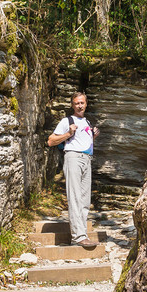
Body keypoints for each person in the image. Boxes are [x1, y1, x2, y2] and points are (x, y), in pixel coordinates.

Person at [47, 91, 100, 247]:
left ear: (86, 104)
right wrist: (68, 133)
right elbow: (51, 141)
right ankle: (79, 237)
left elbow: (83, 141)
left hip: (87, 159)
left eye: (82, 103)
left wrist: (93, 137)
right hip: (73, 158)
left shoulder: (87, 122)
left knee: (85, 199)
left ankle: (80, 235)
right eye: (77, 103)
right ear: (72, 105)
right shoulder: (66, 121)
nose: (79, 106)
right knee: (75, 197)